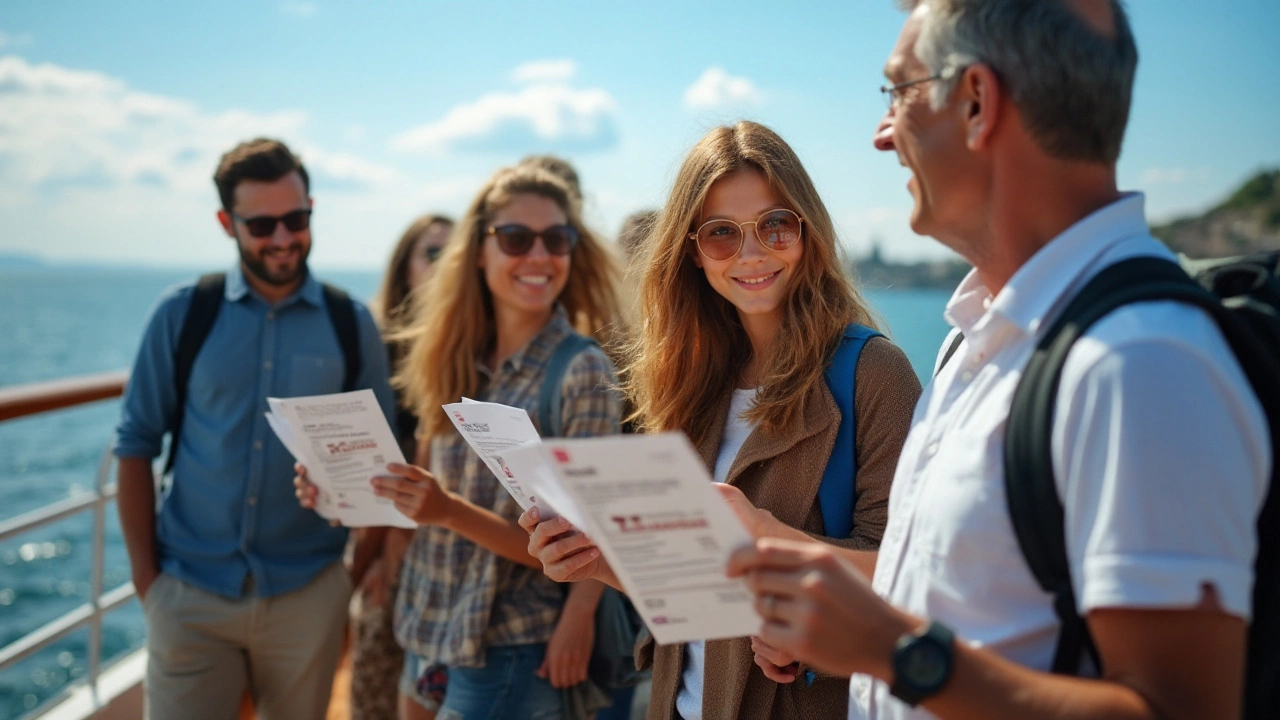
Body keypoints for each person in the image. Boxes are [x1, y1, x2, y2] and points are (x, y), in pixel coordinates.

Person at [725, 2, 1271, 720]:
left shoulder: (1137, 362)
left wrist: (894, 653)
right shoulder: (976, 338)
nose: (882, 134)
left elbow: (1178, 708)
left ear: (977, 102)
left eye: (899, 91)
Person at [521, 120, 923, 720]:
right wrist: (596, 560)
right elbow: (697, 591)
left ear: (808, 230)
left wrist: (767, 534)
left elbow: (910, 580)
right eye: (721, 235)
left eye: (775, 224)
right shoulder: (692, 381)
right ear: (691, 251)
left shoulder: (873, 373)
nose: (752, 253)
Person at [297, 162, 625, 720]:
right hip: (426, 621)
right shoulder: (455, 356)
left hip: (513, 640)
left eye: (557, 239)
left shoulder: (582, 370)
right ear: (479, 250)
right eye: (517, 239)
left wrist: (577, 620)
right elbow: (420, 489)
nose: (540, 256)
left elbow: (587, 538)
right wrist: (338, 489)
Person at [114, 137, 396, 720]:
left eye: (296, 219)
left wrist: (351, 576)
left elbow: (378, 462)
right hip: (188, 593)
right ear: (227, 222)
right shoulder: (182, 313)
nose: (283, 238)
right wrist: (148, 581)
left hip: (308, 592)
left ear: (312, 210)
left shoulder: (351, 323)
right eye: (262, 224)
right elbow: (136, 444)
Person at [348, 213, 454, 720]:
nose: (443, 264)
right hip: (378, 538)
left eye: (453, 253)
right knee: (376, 682)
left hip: (442, 545)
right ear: (404, 265)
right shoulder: (376, 346)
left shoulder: (469, 345)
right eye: (431, 252)